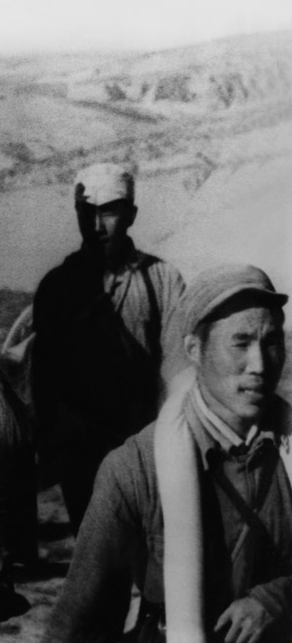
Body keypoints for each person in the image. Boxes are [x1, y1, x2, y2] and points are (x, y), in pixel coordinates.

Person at [44, 264, 292, 643]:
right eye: (240, 343)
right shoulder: (135, 469)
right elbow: (80, 621)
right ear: (194, 349)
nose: (259, 365)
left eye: (272, 342)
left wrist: (278, 599)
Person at [31, 163, 185, 531]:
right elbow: (46, 381)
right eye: (88, 213)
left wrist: (166, 447)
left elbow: (179, 372)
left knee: (158, 568)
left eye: (110, 212)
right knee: (102, 569)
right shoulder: (57, 287)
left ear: (131, 215)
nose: (97, 226)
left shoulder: (162, 281)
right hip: (83, 457)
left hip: (148, 451)